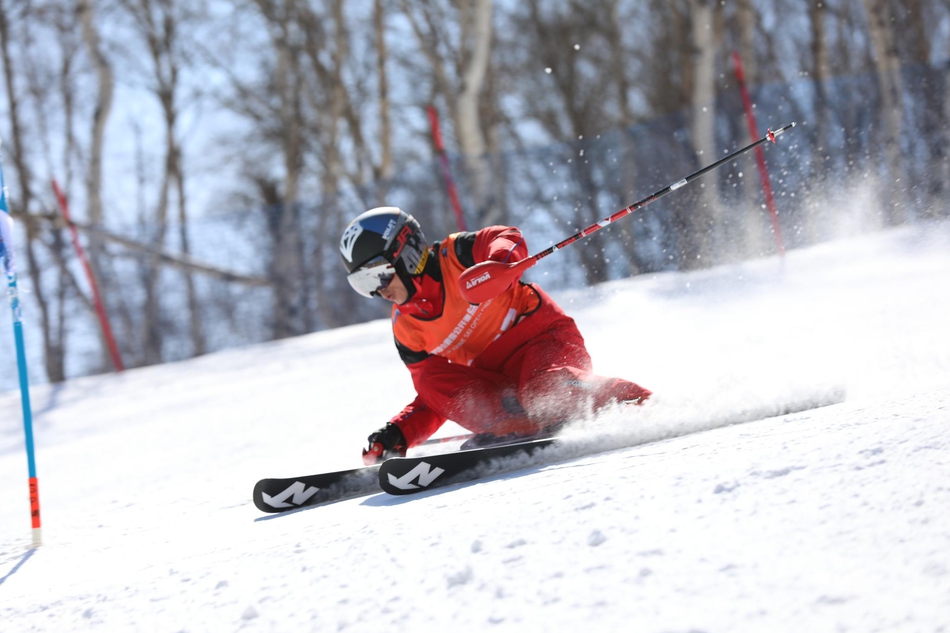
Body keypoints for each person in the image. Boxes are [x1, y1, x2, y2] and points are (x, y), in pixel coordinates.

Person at [340, 206, 651, 465]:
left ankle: (631, 398)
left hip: (542, 341)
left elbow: (506, 237)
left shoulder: (456, 255)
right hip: (498, 382)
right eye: (363, 284)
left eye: (378, 275)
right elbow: (439, 396)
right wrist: (400, 432)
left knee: (542, 392)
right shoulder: (407, 328)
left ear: (405, 254)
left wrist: (499, 264)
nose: (378, 290)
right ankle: (514, 426)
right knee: (430, 379)